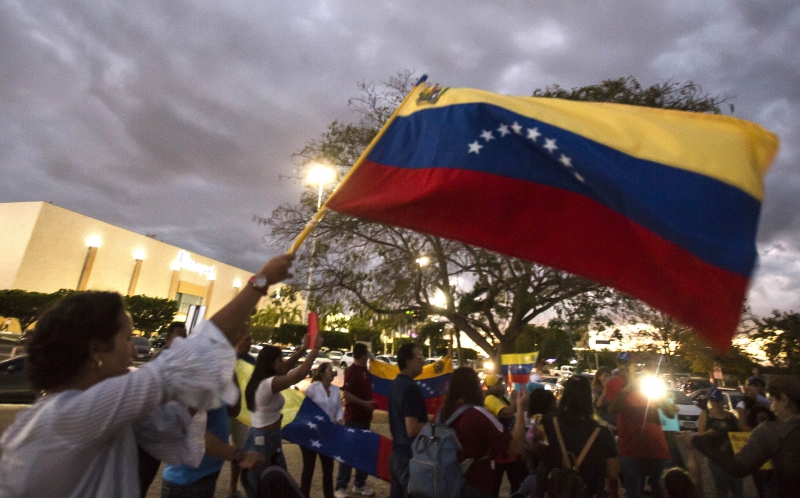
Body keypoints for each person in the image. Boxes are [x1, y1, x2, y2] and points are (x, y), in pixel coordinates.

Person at [0, 253, 295, 497]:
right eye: (127, 339)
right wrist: (261, 281)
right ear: (96, 350)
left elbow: (172, 414)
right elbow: (177, 369)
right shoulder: (69, 416)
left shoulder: (97, 416)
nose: (132, 352)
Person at [692, 376, 800, 498]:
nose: (772, 408)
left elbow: (738, 467)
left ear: (784, 400)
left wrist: (695, 441)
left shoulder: (772, 432)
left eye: (773, 401)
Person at [243, 333, 324, 495]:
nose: (283, 363)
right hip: (263, 440)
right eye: (280, 359)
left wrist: (303, 349)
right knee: (264, 486)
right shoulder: (267, 384)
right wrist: (315, 350)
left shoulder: (265, 379)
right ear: (271, 364)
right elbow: (299, 375)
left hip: (269, 437)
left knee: (275, 483)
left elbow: (286, 368)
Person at [438, 367, 527, 498]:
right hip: (474, 485)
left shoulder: (441, 415)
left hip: (445, 484)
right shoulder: (477, 415)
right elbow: (515, 446)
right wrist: (520, 407)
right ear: (474, 387)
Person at [605, 352, 676, 498]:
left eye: (627, 363)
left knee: (661, 492)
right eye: (620, 363)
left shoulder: (646, 383)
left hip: (656, 447)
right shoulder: (613, 384)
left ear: (633, 366)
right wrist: (627, 390)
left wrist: (660, 396)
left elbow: (670, 414)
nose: (623, 366)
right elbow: (612, 409)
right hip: (630, 449)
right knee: (633, 492)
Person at [161, 404, 265, 498]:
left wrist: (233, 384)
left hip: (203, 477)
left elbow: (234, 411)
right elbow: (192, 432)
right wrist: (239, 456)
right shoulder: (196, 383)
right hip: (187, 482)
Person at [540, 375, 619, 498]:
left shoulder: (549, 421)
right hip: (589, 492)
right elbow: (613, 472)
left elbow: (535, 450)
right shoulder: (602, 431)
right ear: (588, 396)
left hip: (556, 491)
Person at [335, 342, 376, 498]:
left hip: (365, 418)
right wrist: (364, 403)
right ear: (363, 355)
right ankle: (341, 486)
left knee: (363, 450)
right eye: (367, 353)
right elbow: (347, 395)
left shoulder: (366, 370)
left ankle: (360, 483)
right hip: (353, 418)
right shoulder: (351, 371)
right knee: (348, 451)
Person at [387, 343, 428, 498]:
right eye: (420, 357)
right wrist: (433, 426)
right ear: (408, 361)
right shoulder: (410, 388)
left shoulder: (396, 384)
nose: (423, 361)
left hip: (397, 454)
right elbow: (412, 428)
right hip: (409, 456)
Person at [300, 362, 343, 498]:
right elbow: (305, 407)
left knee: (328, 469)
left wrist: (340, 420)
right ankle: (304, 494)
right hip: (311, 434)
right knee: (308, 468)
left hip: (327, 435)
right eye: (330, 370)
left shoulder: (336, 390)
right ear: (323, 373)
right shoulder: (313, 388)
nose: (333, 373)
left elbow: (339, 409)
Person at [483, 374, 528, 498]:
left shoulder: (502, 399)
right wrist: (516, 401)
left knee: (516, 484)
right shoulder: (490, 399)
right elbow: (506, 413)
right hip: (499, 451)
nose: (502, 386)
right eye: (498, 384)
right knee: (495, 486)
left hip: (509, 450)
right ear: (491, 387)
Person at [696, 388, 743, 498]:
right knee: (722, 487)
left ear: (722, 401)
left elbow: (739, 433)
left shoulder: (730, 416)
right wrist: (708, 433)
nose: (715, 403)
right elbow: (700, 434)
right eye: (712, 400)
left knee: (737, 487)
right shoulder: (705, 414)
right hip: (715, 456)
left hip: (732, 456)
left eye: (717, 400)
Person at [228, 331, 256, 498]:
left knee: (240, 448)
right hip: (225, 410)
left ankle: (232, 487)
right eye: (247, 339)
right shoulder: (228, 358)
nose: (250, 342)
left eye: (251, 339)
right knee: (217, 445)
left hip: (242, 412)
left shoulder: (251, 361)